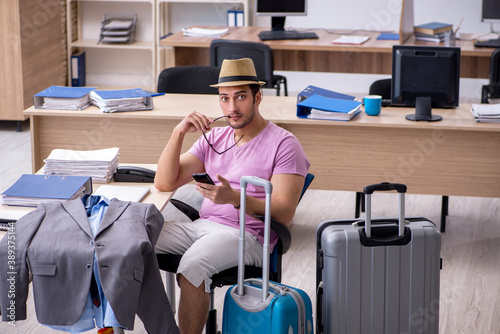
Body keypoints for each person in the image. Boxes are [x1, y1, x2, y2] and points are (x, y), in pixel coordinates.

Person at [154, 57, 310, 334]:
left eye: (240, 97)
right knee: (133, 237)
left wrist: (236, 199)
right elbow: (164, 182)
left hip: (248, 236)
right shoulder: (214, 138)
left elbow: (285, 212)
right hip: (202, 227)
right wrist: (178, 132)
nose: (232, 108)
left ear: (257, 97)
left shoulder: (285, 144)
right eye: (224, 99)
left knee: (192, 266)